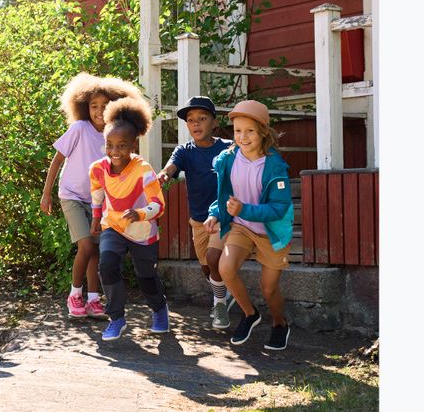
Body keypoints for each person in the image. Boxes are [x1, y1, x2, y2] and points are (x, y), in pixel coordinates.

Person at [41, 73, 142, 320]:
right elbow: (57, 160)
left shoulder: (115, 135)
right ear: (84, 107)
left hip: (99, 201)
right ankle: (75, 294)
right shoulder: (79, 128)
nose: (99, 111)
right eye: (93, 106)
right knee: (85, 245)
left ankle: (94, 299)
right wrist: (47, 194)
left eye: (105, 106)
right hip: (72, 196)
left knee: (95, 251)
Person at [204, 100, 294, 351]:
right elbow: (225, 195)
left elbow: (279, 208)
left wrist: (245, 209)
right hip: (241, 226)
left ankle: (279, 324)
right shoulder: (228, 159)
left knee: (269, 289)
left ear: (263, 131)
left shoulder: (274, 166)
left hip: (271, 231)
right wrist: (215, 214)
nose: (242, 137)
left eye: (250, 131)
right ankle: (249, 313)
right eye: (237, 131)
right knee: (225, 267)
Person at [89, 95, 169, 341]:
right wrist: (95, 219)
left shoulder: (144, 170)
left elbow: (159, 205)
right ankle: (117, 318)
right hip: (113, 225)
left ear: (133, 145)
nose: (114, 151)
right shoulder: (97, 168)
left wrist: (140, 214)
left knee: (146, 277)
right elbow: (97, 195)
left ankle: (159, 309)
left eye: (121, 145)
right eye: (109, 145)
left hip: (143, 232)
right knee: (107, 266)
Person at [157, 96, 233, 329]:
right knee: (205, 266)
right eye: (191, 120)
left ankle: (219, 303)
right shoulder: (185, 151)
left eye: (202, 119)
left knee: (212, 257)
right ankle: (223, 293)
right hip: (198, 219)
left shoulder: (228, 148)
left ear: (214, 122)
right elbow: (170, 167)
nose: (196, 124)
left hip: (223, 216)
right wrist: (163, 175)